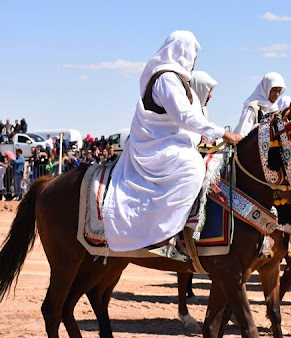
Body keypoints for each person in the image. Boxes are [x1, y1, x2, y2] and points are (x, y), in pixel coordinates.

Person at [102, 30, 242, 255]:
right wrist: (223, 134)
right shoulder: (166, 78)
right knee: (192, 169)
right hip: (157, 146)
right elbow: (184, 117)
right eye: (193, 54)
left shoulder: (177, 79)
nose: (194, 60)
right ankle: (166, 232)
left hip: (171, 142)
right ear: (183, 52)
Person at [234, 71, 286, 137]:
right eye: (274, 90)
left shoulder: (275, 110)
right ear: (266, 88)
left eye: (279, 91)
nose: (277, 94)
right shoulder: (253, 108)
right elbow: (242, 136)